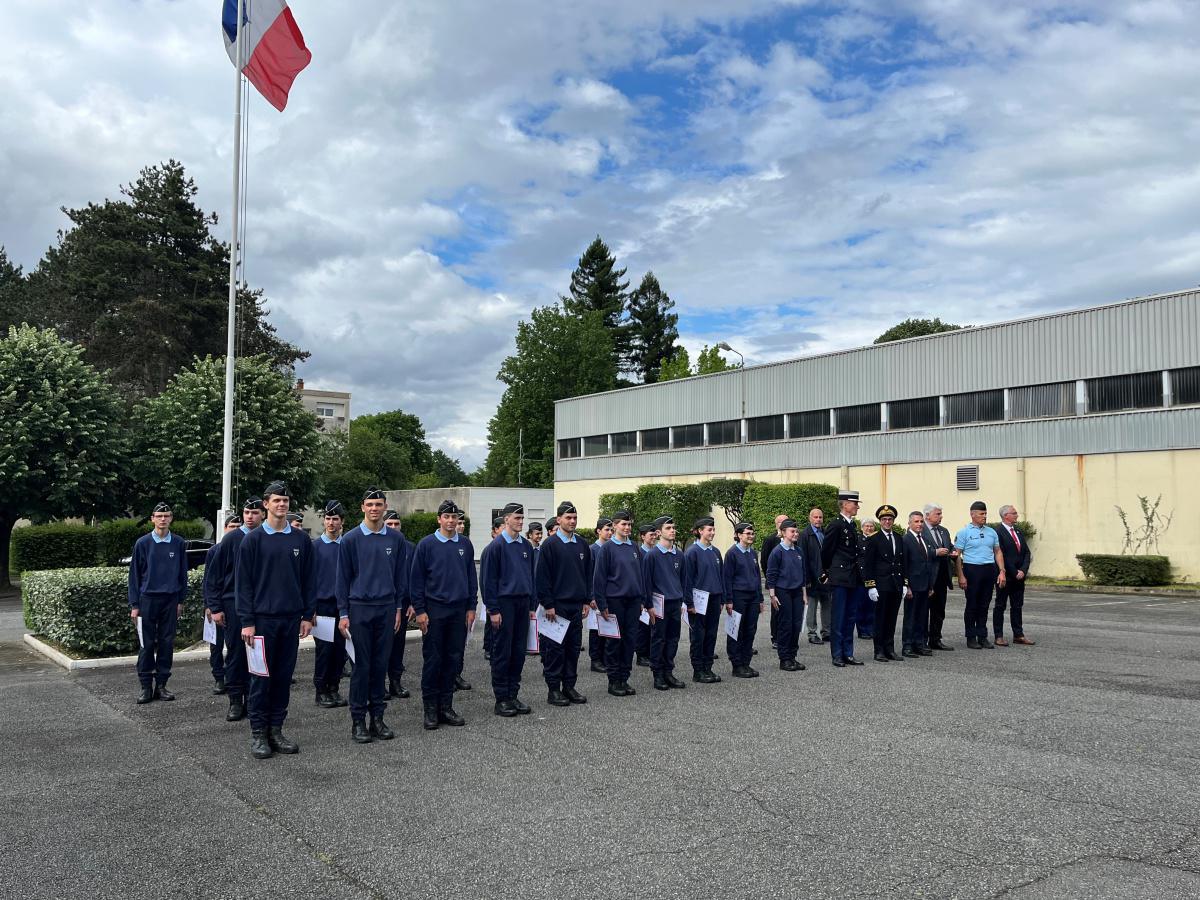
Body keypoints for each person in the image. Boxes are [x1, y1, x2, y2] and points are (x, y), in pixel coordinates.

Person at [235, 482, 315, 759]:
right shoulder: (253, 540)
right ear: (266, 505)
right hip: (261, 621)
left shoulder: (300, 540)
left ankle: (276, 729)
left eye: (285, 500)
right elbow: (243, 584)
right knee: (260, 678)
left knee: (282, 678)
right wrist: (247, 621)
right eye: (276, 500)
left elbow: (308, 581)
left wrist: (307, 616)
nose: (282, 504)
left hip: (290, 620)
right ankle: (258, 733)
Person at [336, 490, 408, 744]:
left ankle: (377, 717)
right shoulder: (351, 539)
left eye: (379, 504)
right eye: (370, 504)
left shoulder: (396, 539)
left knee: (380, 667)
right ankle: (358, 721)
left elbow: (400, 577)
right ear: (362, 507)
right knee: (361, 668)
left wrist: (398, 608)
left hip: (386, 608)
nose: (374, 508)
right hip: (360, 609)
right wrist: (343, 613)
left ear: (385, 506)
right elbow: (342, 579)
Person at [409, 500, 477, 729]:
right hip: (435, 610)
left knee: (453, 660)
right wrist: (420, 611)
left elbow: (471, 578)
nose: (450, 521)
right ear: (439, 519)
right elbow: (416, 581)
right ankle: (430, 709)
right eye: (446, 517)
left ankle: (446, 706)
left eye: (454, 517)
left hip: (458, 611)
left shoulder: (465, 545)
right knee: (433, 661)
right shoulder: (426, 545)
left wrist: (471, 607)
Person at [207, 497, 264, 721]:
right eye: (247, 512)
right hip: (233, 604)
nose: (250, 516)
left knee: (256, 655)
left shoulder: (265, 538)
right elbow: (214, 577)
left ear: (263, 513)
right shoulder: (231, 539)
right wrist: (215, 607)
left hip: (260, 605)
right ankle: (235, 700)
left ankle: (253, 700)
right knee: (236, 655)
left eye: (255, 512)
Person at [128, 502, 189, 704]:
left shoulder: (179, 543)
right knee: (146, 645)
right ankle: (145, 686)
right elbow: (134, 576)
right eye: (159, 516)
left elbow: (182, 574)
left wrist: (181, 600)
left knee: (166, 643)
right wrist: (134, 605)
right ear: (152, 518)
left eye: (167, 515)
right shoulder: (143, 543)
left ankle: (161, 685)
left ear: (171, 518)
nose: (163, 519)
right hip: (147, 600)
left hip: (170, 600)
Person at [482, 502, 537, 717]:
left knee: (518, 652)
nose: (520, 522)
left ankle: (513, 694)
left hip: (522, 604)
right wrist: (493, 610)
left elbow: (530, 577)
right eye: (516, 518)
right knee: (502, 652)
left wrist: (532, 605)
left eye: (522, 518)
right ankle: (501, 698)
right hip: (504, 605)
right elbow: (488, 582)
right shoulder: (495, 547)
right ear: (506, 520)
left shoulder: (525, 546)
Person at [536, 501, 591, 707]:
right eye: (568, 518)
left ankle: (569, 686)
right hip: (556, 607)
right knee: (554, 649)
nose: (572, 521)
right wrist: (548, 603)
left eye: (575, 518)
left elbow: (587, 574)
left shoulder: (582, 544)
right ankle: (553, 689)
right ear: (558, 520)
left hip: (576, 606)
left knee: (573, 648)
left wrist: (586, 599)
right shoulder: (549, 545)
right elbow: (542, 577)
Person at [592, 510, 643, 697]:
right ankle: (614, 681)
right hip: (614, 601)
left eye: (629, 524)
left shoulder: (635, 548)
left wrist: (641, 599)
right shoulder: (607, 549)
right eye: (623, 524)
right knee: (614, 642)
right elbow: (599, 578)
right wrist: (602, 603)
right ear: (614, 526)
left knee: (630, 641)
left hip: (633, 601)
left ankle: (624, 677)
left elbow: (640, 575)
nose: (627, 527)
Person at [642, 515, 689, 691]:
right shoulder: (652, 555)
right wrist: (649, 606)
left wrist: (684, 600)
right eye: (668, 528)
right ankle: (658, 674)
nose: (673, 531)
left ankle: (669, 671)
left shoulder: (679, 555)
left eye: (673, 527)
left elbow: (684, 580)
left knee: (673, 639)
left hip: (675, 603)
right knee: (658, 639)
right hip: (659, 605)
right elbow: (646, 583)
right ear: (659, 532)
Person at [821, 490, 865, 667]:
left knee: (850, 617)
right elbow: (826, 551)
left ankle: (848, 652)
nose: (857, 507)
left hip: (852, 577)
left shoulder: (851, 525)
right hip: (840, 577)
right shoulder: (836, 525)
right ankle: (837, 654)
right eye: (855, 504)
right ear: (845, 504)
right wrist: (828, 572)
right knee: (838, 617)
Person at [954, 501, 1006, 649]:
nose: (984, 516)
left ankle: (982, 635)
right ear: (972, 514)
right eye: (981, 514)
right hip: (972, 570)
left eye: (985, 513)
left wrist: (1002, 571)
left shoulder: (991, 532)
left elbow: (998, 552)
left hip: (989, 570)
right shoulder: (964, 532)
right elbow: (957, 556)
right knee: (972, 605)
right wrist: (961, 575)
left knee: (984, 604)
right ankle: (971, 637)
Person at [311, 501, 348, 709]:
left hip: (342, 606)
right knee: (324, 650)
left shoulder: (348, 545)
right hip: (322, 607)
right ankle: (321, 690)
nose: (331, 523)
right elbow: (308, 580)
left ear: (342, 521)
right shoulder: (315, 546)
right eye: (328, 518)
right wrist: (311, 609)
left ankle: (334, 688)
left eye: (335, 519)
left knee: (339, 650)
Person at [862, 505, 909, 663]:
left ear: (893, 521)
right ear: (880, 521)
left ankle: (890, 649)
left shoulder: (898, 537)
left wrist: (904, 583)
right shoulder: (873, 539)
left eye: (890, 519)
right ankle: (879, 650)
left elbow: (903, 562)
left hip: (895, 584)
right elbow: (868, 564)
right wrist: (871, 586)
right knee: (880, 618)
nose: (887, 521)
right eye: (884, 519)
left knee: (892, 618)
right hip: (881, 585)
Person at [202, 514, 241, 696]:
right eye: (231, 526)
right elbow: (209, 580)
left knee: (234, 646)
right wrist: (210, 605)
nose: (234, 530)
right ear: (225, 528)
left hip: (234, 606)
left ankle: (234, 678)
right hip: (217, 605)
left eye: (237, 527)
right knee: (216, 644)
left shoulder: (244, 547)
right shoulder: (215, 550)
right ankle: (219, 677)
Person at [685, 516, 724, 684]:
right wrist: (690, 603)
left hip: (714, 599)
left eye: (713, 530)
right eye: (709, 530)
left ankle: (708, 667)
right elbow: (687, 579)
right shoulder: (692, 552)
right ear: (700, 531)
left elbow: (720, 576)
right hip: (699, 600)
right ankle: (698, 670)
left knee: (711, 634)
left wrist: (722, 598)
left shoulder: (715, 552)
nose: (712, 532)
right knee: (698, 636)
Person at [765, 518, 807, 671]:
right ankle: (784, 659)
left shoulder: (798, 551)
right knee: (786, 625)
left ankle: (792, 656)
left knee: (796, 625)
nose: (796, 533)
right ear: (783, 533)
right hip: (783, 591)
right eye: (792, 531)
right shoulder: (777, 551)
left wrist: (804, 593)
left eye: (797, 531)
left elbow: (803, 573)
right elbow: (771, 574)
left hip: (797, 592)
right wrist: (772, 595)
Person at [723, 522, 763, 678]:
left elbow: (757, 577)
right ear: (739, 535)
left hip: (752, 597)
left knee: (750, 630)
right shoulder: (732, 553)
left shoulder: (752, 554)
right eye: (748, 533)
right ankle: (737, 664)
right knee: (736, 631)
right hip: (738, 596)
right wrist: (729, 600)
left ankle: (746, 662)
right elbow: (727, 578)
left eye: (752, 533)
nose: (751, 536)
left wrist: (760, 598)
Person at [382, 510, 414, 699]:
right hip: (384, 604)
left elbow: (414, 578)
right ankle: (380, 684)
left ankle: (396, 681)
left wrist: (413, 604)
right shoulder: (380, 544)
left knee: (398, 646)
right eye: (390, 524)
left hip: (403, 606)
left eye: (396, 524)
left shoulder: (410, 547)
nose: (394, 527)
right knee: (382, 647)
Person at [993, 504, 1034, 646]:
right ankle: (998, 635)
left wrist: (1023, 570)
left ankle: (1018, 634)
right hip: (1006, 576)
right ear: (1006, 516)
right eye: (1014, 513)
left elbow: (1026, 552)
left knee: (1017, 606)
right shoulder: (998, 532)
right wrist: (1013, 571)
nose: (1017, 515)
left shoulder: (1017, 531)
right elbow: (1000, 553)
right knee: (1000, 605)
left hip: (1019, 576)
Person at [920, 503, 957, 651]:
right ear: (927, 515)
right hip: (927, 576)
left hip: (942, 576)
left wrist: (953, 551)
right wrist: (935, 552)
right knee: (924, 610)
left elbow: (950, 545)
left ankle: (936, 639)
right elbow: (917, 552)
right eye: (938, 514)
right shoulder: (920, 531)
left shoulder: (943, 531)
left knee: (939, 610)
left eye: (941, 514)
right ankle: (922, 640)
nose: (941, 517)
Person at [901, 511, 934, 657]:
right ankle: (907, 646)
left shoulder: (925, 539)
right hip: (912, 586)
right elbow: (904, 565)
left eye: (921, 521)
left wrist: (931, 586)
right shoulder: (906, 540)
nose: (920, 524)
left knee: (922, 616)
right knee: (911, 617)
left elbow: (928, 564)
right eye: (916, 522)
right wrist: (906, 586)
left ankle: (919, 643)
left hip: (925, 585)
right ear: (909, 523)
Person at [587, 517, 615, 673]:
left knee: (607, 626)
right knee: (595, 628)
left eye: (611, 530)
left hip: (609, 594)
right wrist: (591, 596)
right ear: (598, 531)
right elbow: (589, 574)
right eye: (607, 529)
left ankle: (605, 657)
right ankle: (595, 659)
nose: (610, 532)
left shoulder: (612, 548)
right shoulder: (593, 549)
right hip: (596, 595)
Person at [800, 507, 830, 644]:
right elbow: (803, 558)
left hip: (826, 577)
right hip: (812, 577)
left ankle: (826, 632)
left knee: (827, 605)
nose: (818, 520)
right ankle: (812, 633)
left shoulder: (825, 532)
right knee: (812, 606)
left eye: (820, 517)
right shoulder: (805, 535)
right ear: (810, 518)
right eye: (815, 517)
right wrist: (806, 579)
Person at [479, 516, 504, 664]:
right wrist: (487, 601)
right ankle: (489, 648)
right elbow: (485, 578)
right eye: (502, 527)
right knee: (491, 624)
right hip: (493, 597)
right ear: (495, 530)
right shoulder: (490, 549)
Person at [761, 514, 787, 649]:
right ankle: (775, 637)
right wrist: (771, 580)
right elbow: (764, 561)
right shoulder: (770, 540)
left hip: (788, 583)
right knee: (776, 610)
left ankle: (785, 636)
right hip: (775, 583)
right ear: (776, 524)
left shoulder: (793, 540)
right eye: (781, 522)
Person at [635, 523, 658, 667]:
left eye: (655, 535)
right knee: (642, 627)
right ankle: (641, 655)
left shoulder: (655, 552)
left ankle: (650, 652)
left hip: (655, 594)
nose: (654, 538)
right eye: (651, 535)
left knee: (653, 625)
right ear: (643, 537)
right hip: (643, 593)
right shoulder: (639, 553)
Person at [854, 518, 877, 639]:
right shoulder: (858, 540)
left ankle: (871, 628)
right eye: (866, 526)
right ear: (862, 528)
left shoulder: (876, 540)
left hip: (873, 578)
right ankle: (862, 630)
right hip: (860, 578)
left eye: (871, 526)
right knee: (861, 605)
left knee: (872, 605)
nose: (869, 528)